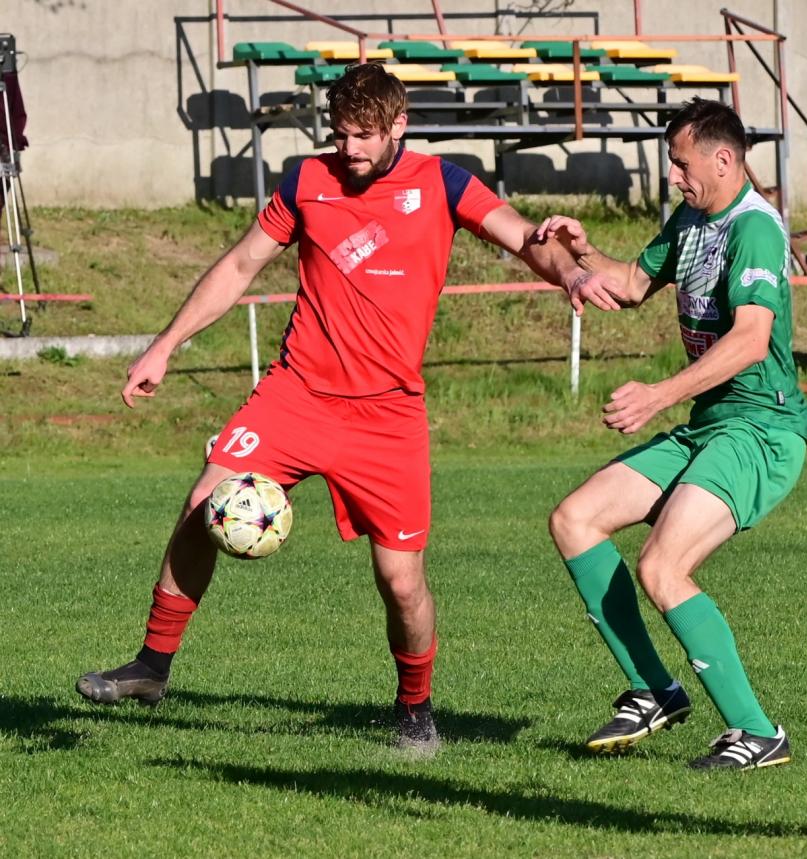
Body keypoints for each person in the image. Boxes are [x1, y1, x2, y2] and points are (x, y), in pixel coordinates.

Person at [75, 62, 601, 756]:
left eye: (363, 135)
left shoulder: (442, 182)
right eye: (339, 134)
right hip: (296, 394)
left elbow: (525, 237)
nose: (348, 148)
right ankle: (151, 665)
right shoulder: (306, 182)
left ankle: (415, 708)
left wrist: (571, 271)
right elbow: (239, 266)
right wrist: (165, 346)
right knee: (204, 502)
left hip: (387, 417)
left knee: (401, 582)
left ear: (398, 127)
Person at [539, 98, 807, 770]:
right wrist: (581, 251)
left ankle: (757, 732)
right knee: (575, 519)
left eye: (682, 164)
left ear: (723, 159)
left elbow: (751, 340)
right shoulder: (691, 220)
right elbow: (633, 283)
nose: (673, 176)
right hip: (710, 426)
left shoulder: (755, 229)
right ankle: (655, 689)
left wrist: (658, 395)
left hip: (761, 430)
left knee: (662, 566)